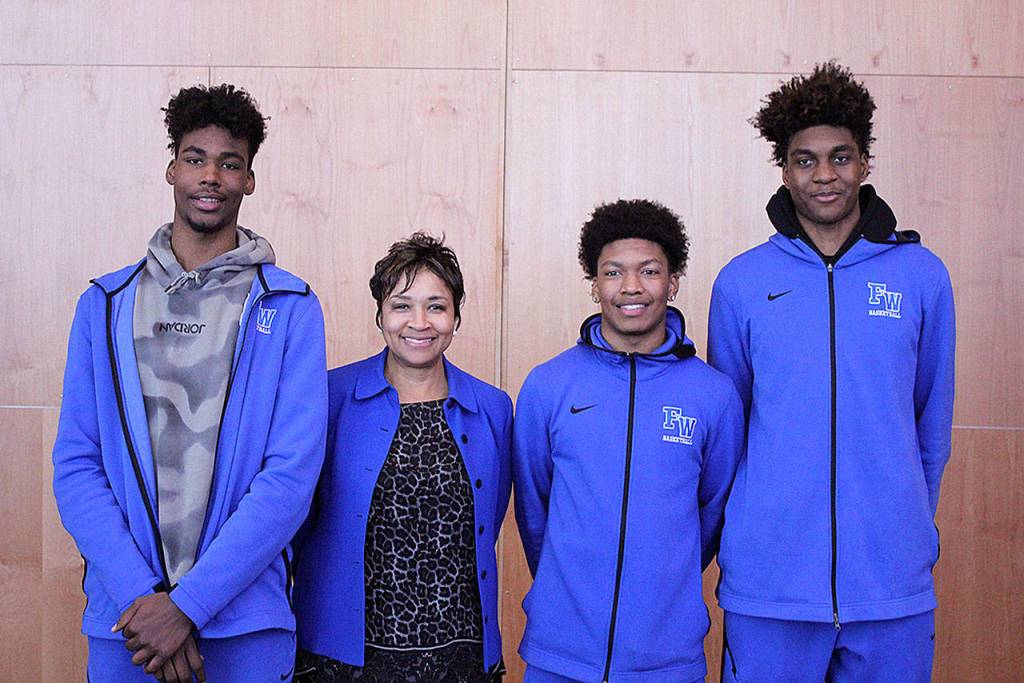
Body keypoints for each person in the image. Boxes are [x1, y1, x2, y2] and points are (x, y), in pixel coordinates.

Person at [51, 84, 328, 683]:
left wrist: (189, 606)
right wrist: (145, 601)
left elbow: (290, 477)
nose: (211, 177)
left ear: (248, 179)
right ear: (172, 168)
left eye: (229, 163)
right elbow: (77, 465)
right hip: (129, 626)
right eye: (196, 158)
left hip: (243, 626)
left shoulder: (289, 307)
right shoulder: (106, 304)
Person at [708, 62, 956, 682]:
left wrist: (904, 523)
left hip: (891, 581)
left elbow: (931, 423)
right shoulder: (742, 282)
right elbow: (728, 430)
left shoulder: (921, 275)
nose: (824, 175)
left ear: (865, 163)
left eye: (840, 157)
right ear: (784, 170)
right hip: (770, 583)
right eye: (805, 160)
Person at [513, 199, 744, 682]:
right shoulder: (548, 385)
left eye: (650, 271)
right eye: (613, 272)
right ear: (594, 284)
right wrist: (564, 583)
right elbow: (534, 508)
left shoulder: (714, 395)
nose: (631, 287)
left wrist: (664, 578)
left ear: (673, 281)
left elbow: (712, 512)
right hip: (560, 653)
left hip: (666, 658)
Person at [292, 232, 512, 682]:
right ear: (380, 315)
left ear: (456, 316)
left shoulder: (492, 408)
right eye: (402, 305)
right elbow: (294, 522)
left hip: (461, 655)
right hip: (345, 657)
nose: (419, 322)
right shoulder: (330, 398)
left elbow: (490, 520)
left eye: (436, 306)